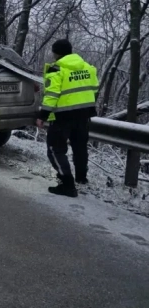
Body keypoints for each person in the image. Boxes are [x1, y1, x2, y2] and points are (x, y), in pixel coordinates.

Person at [36, 39, 98, 198]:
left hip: (63, 116)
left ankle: (67, 185)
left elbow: (52, 94)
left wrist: (43, 116)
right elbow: (94, 89)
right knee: (80, 147)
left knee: (55, 150)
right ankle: (81, 178)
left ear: (56, 53)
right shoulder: (88, 67)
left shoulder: (56, 69)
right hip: (84, 114)